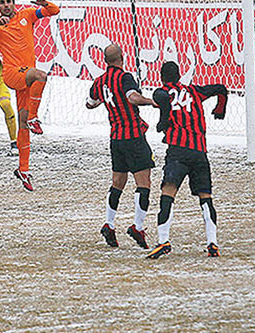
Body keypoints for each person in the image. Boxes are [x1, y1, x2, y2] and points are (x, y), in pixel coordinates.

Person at [0, 0, 59, 191]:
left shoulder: (28, 15)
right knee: (41, 76)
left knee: (22, 124)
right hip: (13, 73)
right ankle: (34, 116)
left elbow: (54, 11)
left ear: (14, 3)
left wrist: (45, 1)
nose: (6, 5)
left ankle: (23, 169)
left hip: (27, 77)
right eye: (2, 3)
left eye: (8, 2)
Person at [145, 61, 227, 259]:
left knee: (168, 192)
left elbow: (163, 98)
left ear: (161, 77)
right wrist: (220, 109)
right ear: (180, 76)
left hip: (178, 152)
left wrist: (162, 121)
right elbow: (221, 88)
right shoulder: (194, 91)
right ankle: (212, 243)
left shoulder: (161, 91)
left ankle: (163, 241)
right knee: (205, 197)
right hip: (200, 152)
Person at [86, 44, 157, 250]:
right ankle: (138, 226)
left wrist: (105, 101)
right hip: (133, 136)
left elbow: (90, 103)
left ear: (105, 60)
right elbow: (132, 97)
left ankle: (109, 224)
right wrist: (151, 101)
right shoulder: (125, 78)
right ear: (122, 58)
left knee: (118, 182)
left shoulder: (99, 82)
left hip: (116, 138)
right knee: (143, 182)